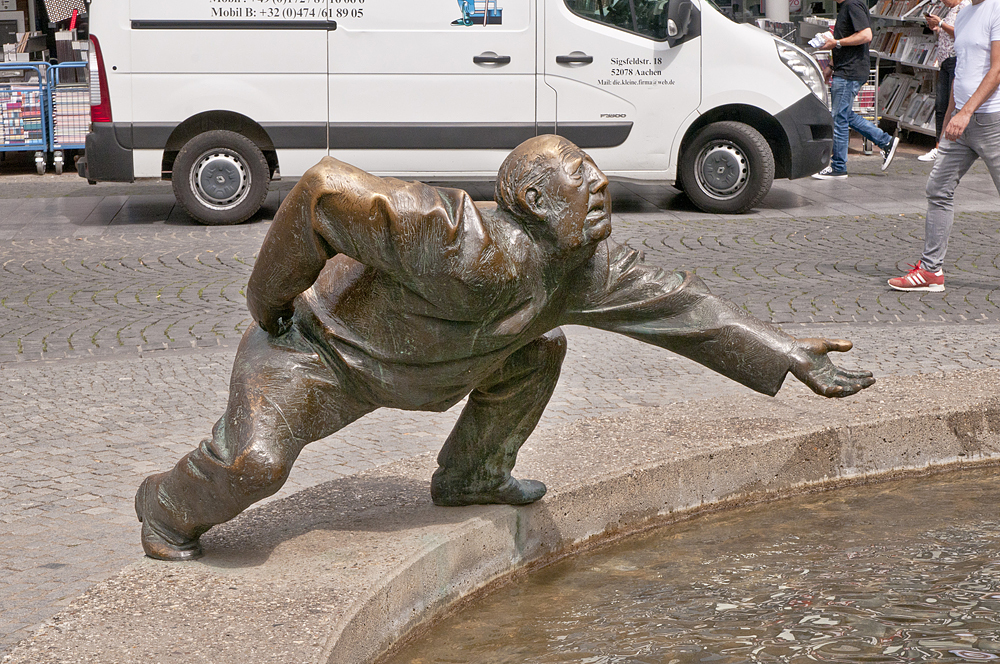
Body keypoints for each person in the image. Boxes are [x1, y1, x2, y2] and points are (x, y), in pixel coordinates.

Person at [134, 135, 876, 562]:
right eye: (579, 179)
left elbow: (684, 309)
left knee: (538, 347)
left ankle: (471, 474)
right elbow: (323, 190)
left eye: (597, 174)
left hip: (432, 367)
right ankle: (167, 507)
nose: (600, 185)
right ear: (533, 202)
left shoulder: (584, 270)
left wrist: (789, 355)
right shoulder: (453, 236)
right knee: (253, 466)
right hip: (318, 359)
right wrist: (269, 304)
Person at [889, 0, 1000, 292]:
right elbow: (960, 71)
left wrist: (965, 113)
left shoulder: (997, 9)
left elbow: (997, 70)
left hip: (992, 121)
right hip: (960, 125)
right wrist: (952, 115)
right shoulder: (962, 15)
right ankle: (930, 271)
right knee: (938, 189)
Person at [812, 0, 900, 179]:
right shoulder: (849, 6)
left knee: (839, 118)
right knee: (844, 115)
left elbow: (866, 36)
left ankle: (838, 167)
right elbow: (849, 39)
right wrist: (830, 65)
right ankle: (886, 141)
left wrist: (836, 43)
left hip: (849, 72)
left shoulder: (852, 5)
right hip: (846, 69)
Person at [918, 0, 971, 162]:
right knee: (941, 105)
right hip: (945, 61)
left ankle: (948, 146)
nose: (943, 1)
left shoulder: (964, 7)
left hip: (955, 60)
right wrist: (937, 28)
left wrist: (940, 23)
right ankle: (939, 145)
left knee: (951, 104)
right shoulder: (951, 10)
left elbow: (961, 33)